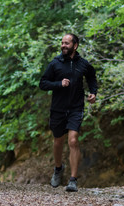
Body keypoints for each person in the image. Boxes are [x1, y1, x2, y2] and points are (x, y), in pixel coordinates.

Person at [39, 33, 98, 192]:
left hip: (76, 108)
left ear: (75, 45)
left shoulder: (83, 64)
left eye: (66, 43)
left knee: (73, 140)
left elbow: (92, 77)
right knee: (58, 141)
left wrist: (93, 92)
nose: (63, 45)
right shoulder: (55, 63)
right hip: (58, 108)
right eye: (62, 43)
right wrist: (59, 83)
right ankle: (58, 168)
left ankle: (73, 180)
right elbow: (43, 83)